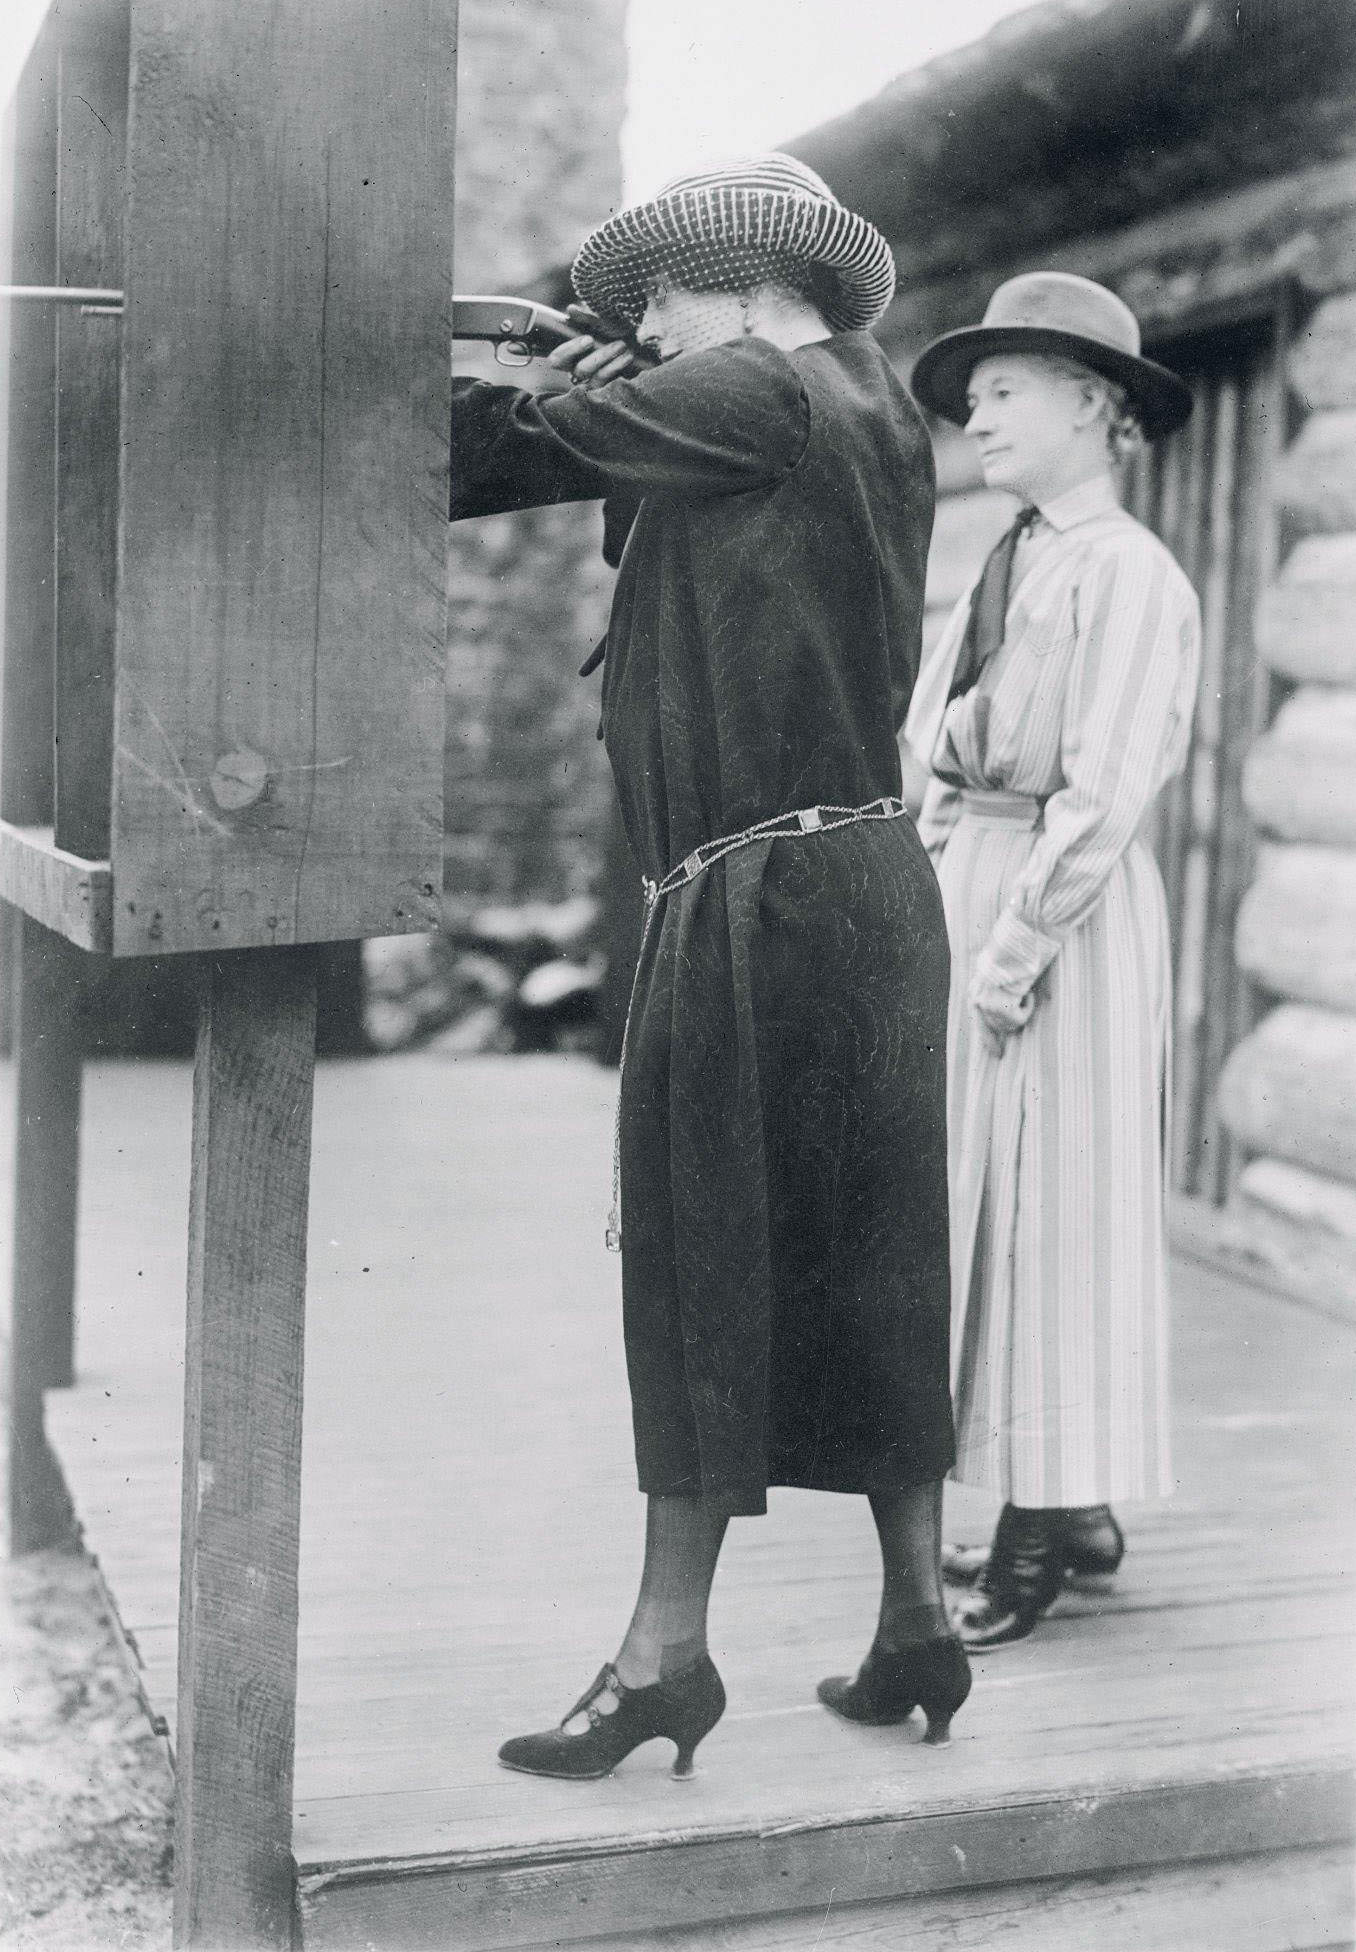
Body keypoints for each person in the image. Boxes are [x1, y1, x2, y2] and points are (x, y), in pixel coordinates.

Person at [448, 154, 966, 1778]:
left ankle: (666, 1656)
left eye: (654, 303)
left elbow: (479, 461)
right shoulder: (855, 401)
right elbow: (685, 501)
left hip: (754, 898)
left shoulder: (749, 385)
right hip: (868, 881)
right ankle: (915, 1621)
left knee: (701, 1263)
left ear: (740, 288)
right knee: (877, 1255)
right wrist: (597, 375)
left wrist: (489, 377)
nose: (641, 329)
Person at [904, 273, 1202, 1648]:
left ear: (1095, 405)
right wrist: (930, 864)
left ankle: (1037, 1522)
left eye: (1009, 387)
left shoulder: (1128, 573)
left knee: (1053, 1206)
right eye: (976, 395)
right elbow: (941, 730)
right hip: (979, 879)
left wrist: (1017, 946)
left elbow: (1107, 787)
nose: (980, 410)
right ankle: (1071, 1505)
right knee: (980, 1191)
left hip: (1064, 914)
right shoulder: (1009, 555)